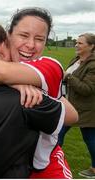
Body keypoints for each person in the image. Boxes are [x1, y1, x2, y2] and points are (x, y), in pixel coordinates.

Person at [0, 7, 77, 179]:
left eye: (40, 39)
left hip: (44, 163)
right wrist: (15, 83)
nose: (31, 45)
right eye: (24, 35)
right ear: (8, 36)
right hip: (15, 164)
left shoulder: (49, 65)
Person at [58, 33, 95, 178]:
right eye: (76, 42)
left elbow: (87, 89)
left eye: (80, 43)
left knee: (89, 138)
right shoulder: (77, 59)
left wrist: (68, 76)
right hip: (71, 104)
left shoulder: (93, 65)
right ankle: (50, 162)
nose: (76, 45)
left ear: (91, 46)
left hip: (86, 109)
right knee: (58, 134)